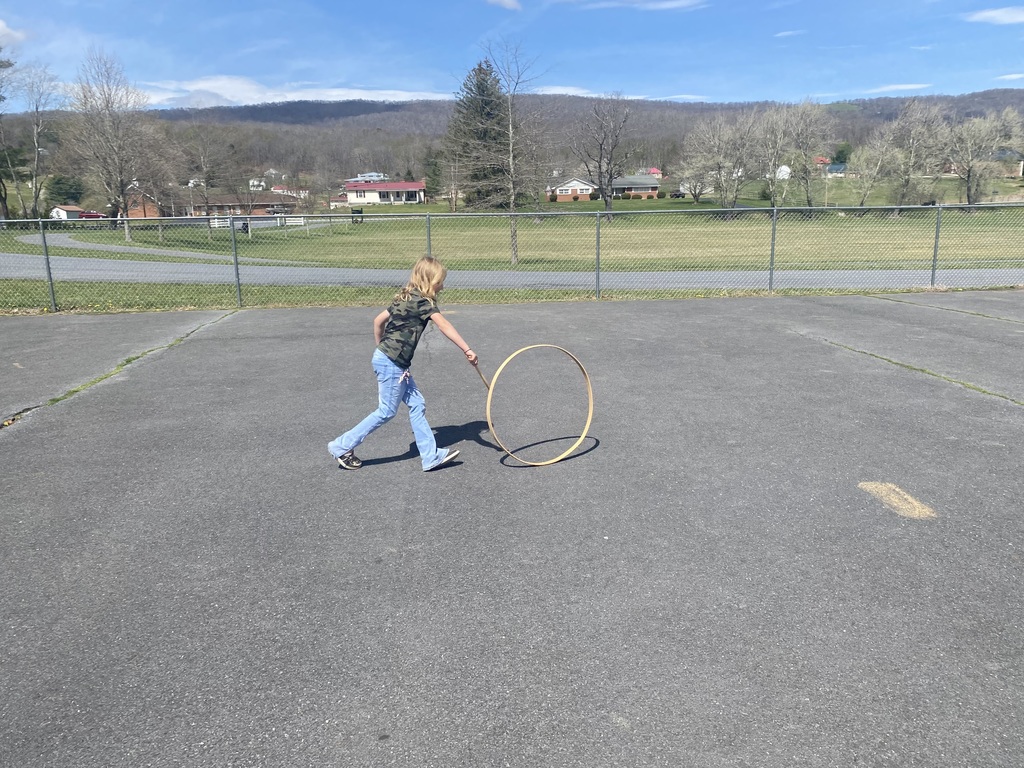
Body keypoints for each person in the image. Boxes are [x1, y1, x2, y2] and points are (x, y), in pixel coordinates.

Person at [328, 255, 478, 471]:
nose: (442, 287)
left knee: (417, 404)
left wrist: (382, 348)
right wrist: (467, 349)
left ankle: (430, 456)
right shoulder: (423, 302)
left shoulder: (404, 296)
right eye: (439, 282)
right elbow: (444, 325)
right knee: (386, 411)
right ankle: (341, 446)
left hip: (392, 362)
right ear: (429, 281)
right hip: (391, 363)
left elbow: (378, 321)